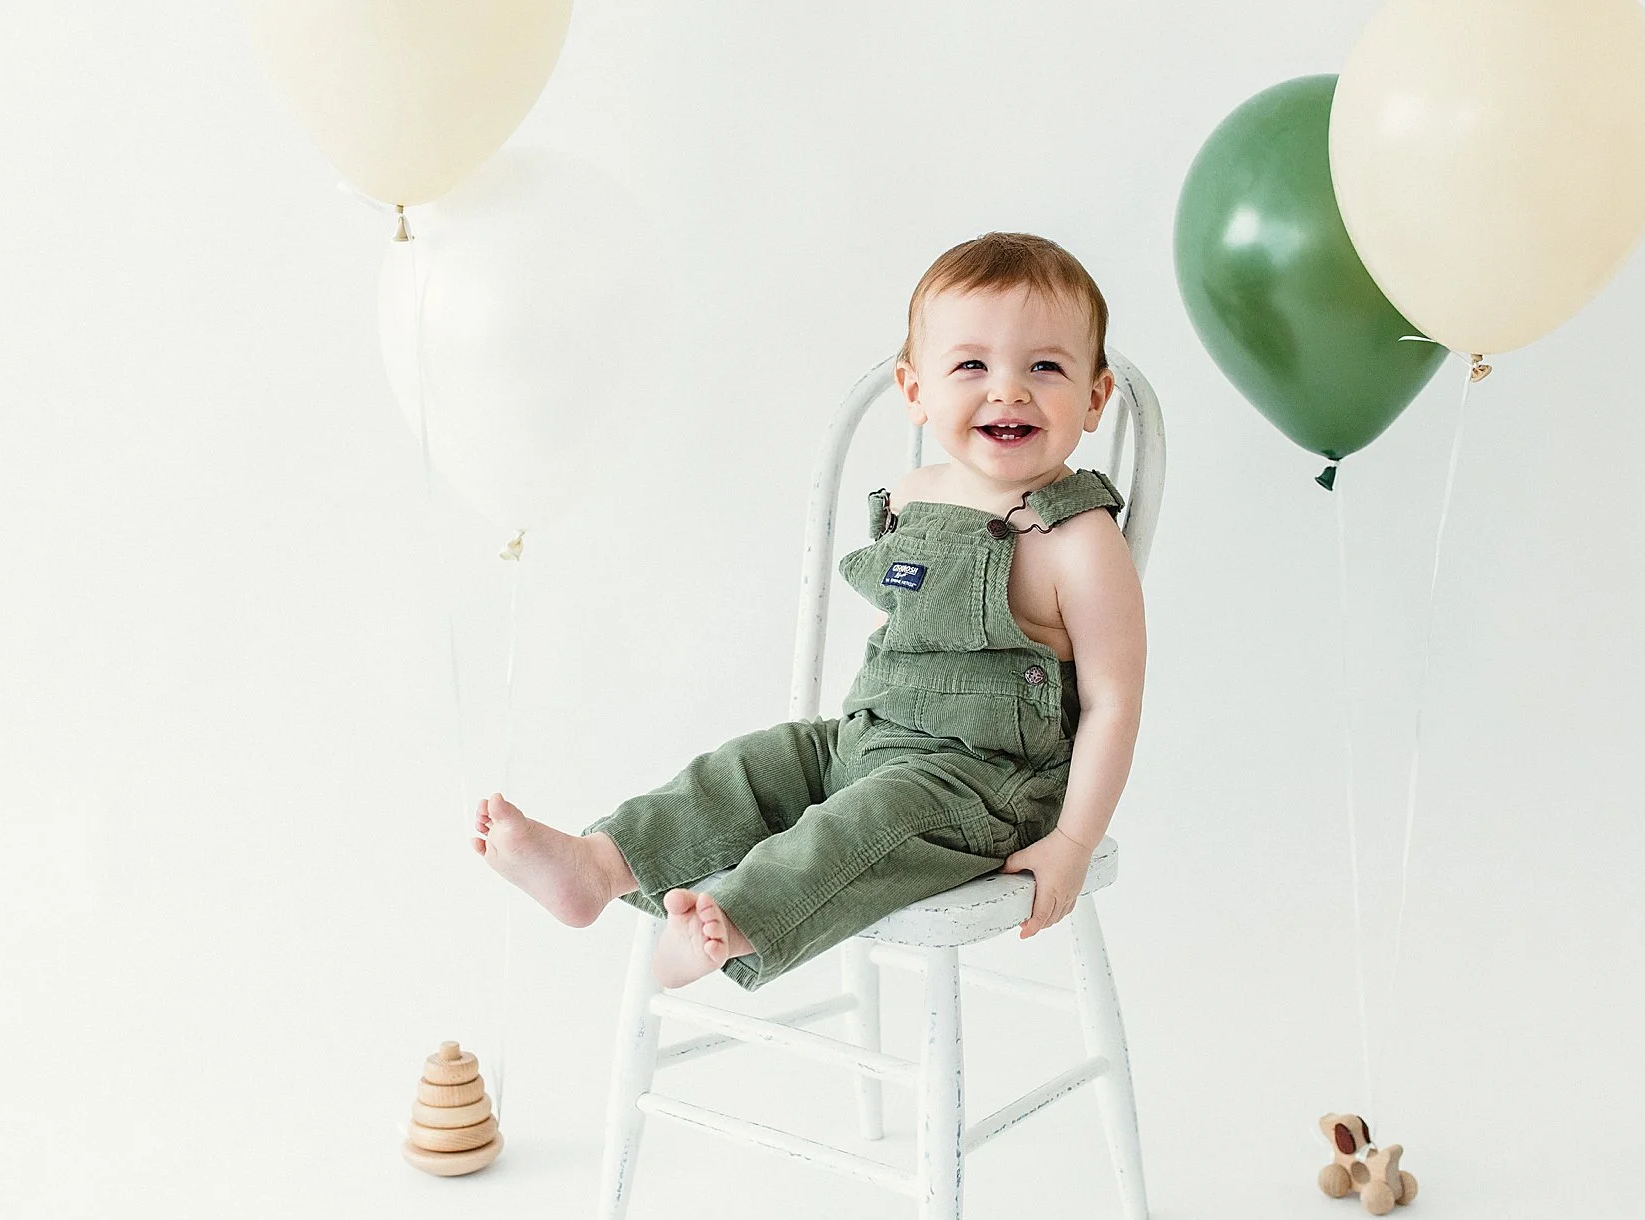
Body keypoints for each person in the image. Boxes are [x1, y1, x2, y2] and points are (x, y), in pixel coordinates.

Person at [471, 231, 1147, 992]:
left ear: (1093, 399)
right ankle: (600, 864)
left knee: (858, 826)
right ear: (916, 390)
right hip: (863, 741)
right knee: (750, 769)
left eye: (1045, 368)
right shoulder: (916, 494)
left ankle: (732, 919)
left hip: (983, 789)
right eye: (971, 366)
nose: (1008, 390)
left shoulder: (1078, 538)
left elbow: (1113, 703)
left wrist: (1073, 842)